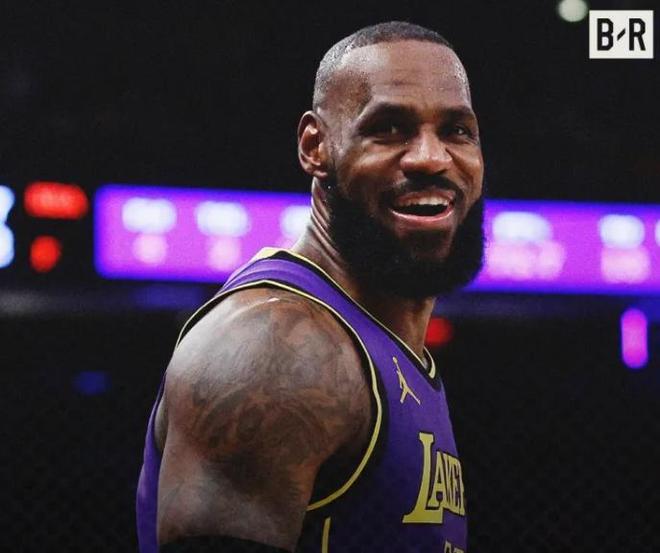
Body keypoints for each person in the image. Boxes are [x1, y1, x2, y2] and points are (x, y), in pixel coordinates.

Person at [137, 21, 485, 553]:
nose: (431, 158)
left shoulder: (380, 347)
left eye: (457, 130)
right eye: (389, 129)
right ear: (315, 146)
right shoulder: (275, 350)